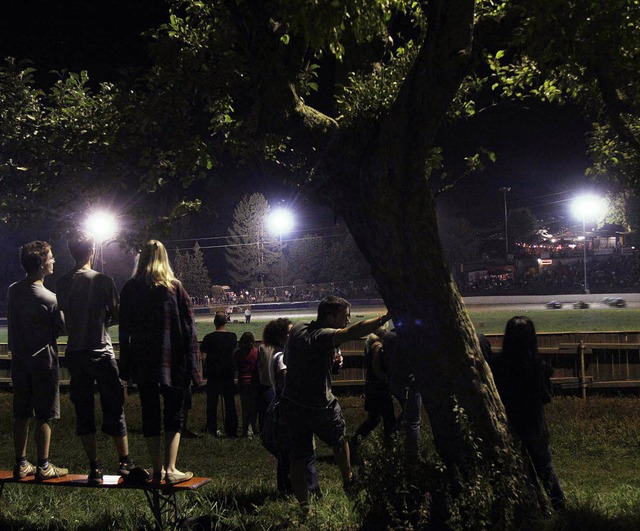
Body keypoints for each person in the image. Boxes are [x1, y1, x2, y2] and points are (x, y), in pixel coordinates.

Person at [280, 295, 391, 514]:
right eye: (344, 316)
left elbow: (292, 358)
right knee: (339, 439)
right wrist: (385, 317)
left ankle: (304, 509)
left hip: (292, 403)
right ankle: (348, 479)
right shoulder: (322, 336)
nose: (347, 320)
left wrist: (329, 362)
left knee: (297, 457)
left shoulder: (298, 328)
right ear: (330, 317)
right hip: (320, 405)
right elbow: (352, 332)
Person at [119, 240, 203, 485]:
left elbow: (124, 331)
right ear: (165, 258)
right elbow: (190, 330)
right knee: (174, 413)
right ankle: (171, 468)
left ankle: (157, 470)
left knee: (149, 412)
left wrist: (126, 365)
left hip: (143, 360)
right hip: (173, 360)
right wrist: (196, 371)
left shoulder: (130, 288)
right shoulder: (175, 288)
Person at [55, 231, 134, 484]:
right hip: (101, 351)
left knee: (84, 410)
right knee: (114, 406)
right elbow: (118, 313)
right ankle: (124, 462)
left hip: (76, 352)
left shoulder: (62, 283)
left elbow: (65, 317)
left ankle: (95, 466)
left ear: (71, 252)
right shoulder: (103, 280)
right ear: (92, 251)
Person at [490, 316, 565, 512]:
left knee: (523, 471)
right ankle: (560, 509)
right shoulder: (539, 366)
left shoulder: (497, 364)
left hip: (509, 424)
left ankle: (536, 509)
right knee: (546, 469)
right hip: (533, 424)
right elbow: (546, 397)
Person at [7, 241, 68, 481]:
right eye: (51, 258)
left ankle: (21, 463)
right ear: (42, 263)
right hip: (44, 361)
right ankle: (44, 465)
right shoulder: (50, 298)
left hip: (19, 360)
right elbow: (61, 328)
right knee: (44, 414)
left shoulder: (14, 290)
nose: (54, 261)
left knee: (21, 413)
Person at [262, 318, 320, 496]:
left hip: (281, 407)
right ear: (280, 337)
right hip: (290, 408)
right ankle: (310, 491)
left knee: (286, 453)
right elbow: (288, 382)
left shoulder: (277, 354)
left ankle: (286, 489)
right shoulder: (282, 357)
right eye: (289, 332)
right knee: (303, 452)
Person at [351, 328, 395, 458]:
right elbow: (377, 369)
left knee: (375, 418)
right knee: (388, 418)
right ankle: (390, 446)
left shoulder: (370, 345)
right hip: (379, 388)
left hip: (373, 387)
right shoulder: (377, 347)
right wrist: (386, 379)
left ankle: (355, 441)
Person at [200, 311, 238, 437]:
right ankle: (231, 430)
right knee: (230, 403)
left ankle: (212, 429)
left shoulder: (208, 338)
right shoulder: (232, 337)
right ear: (225, 321)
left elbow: (204, 357)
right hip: (227, 373)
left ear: (214, 322)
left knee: (212, 403)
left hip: (213, 374)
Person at [234, 331, 258, 437]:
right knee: (253, 408)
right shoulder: (256, 352)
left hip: (242, 382)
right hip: (253, 383)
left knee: (245, 407)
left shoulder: (237, 353)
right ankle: (252, 428)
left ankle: (245, 430)